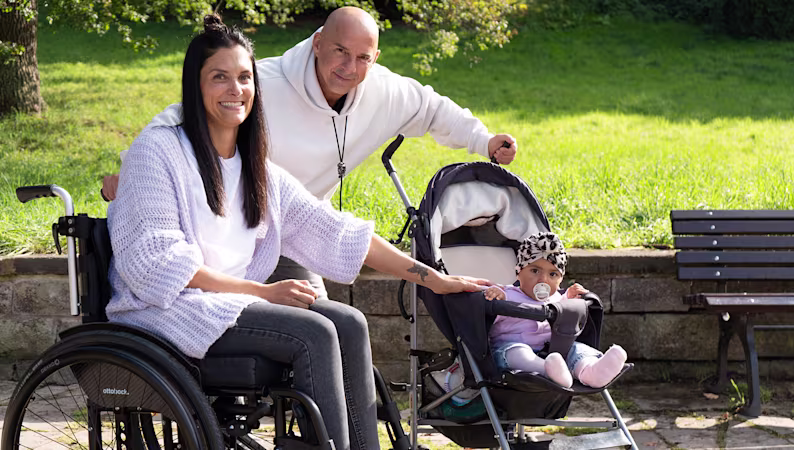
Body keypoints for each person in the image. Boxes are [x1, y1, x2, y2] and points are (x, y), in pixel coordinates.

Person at [107, 15, 489, 450]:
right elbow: (154, 262)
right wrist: (261, 292)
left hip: (226, 304)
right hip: (164, 308)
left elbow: (338, 233)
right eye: (220, 78)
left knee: (349, 321)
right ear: (194, 85)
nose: (236, 90)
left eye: (244, 78)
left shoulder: (254, 166)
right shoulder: (158, 151)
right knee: (314, 332)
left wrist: (431, 277)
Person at [102, 6, 519, 298]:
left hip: (300, 225)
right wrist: (134, 174)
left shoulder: (385, 91)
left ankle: (334, 423)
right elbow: (183, 114)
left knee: (326, 321)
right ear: (318, 43)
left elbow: (433, 109)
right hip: (233, 232)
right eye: (340, 51)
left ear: (375, 59)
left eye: (362, 58)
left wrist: (483, 140)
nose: (349, 67)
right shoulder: (258, 84)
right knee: (309, 334)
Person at [485, 232, 628, 388]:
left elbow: (567, 312)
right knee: (518, 353)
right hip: (512, 348)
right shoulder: (507, 294)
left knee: (577, 349)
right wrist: (495, 299)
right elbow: (487, 317)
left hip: (554, 350)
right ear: (519, 271)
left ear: (561, 279)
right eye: (535, 271)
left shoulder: (558, 298)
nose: (543, 280)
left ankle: (591, 371)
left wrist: (572, 298)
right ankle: (548, 371)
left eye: (552, 274)